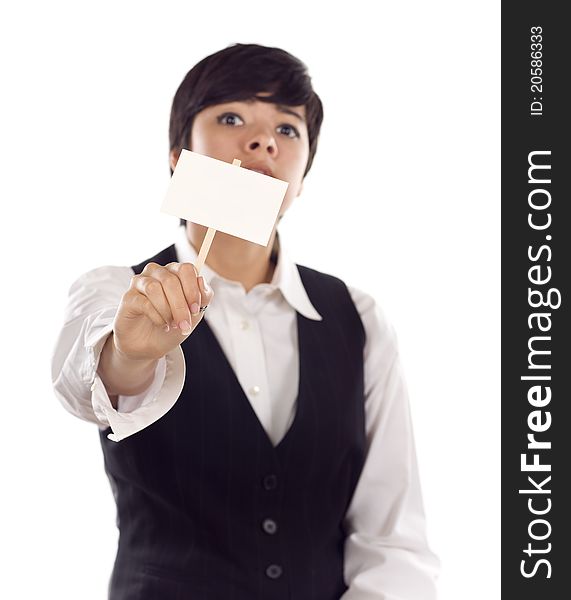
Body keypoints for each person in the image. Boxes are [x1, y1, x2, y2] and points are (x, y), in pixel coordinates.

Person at [51, 43, 439, 599]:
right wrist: (130, 353)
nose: (263, 142)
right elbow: (83, 388)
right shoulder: (116, 290)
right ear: (178, 157)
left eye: (288, 129)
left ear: (302, 177)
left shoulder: (360, 319)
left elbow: (394, 537)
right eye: (231, 118)